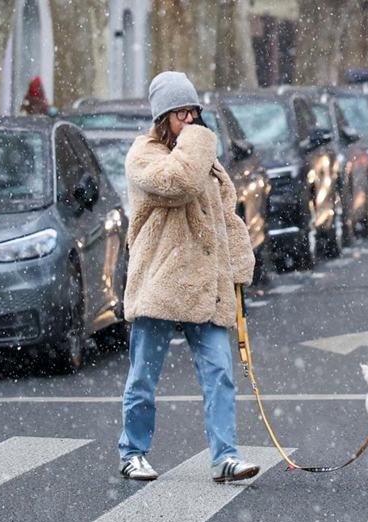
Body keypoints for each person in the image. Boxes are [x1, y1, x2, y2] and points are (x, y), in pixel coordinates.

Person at [118, 71, 259, 483]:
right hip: (160, 282)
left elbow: (225, 220)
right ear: (163, 117)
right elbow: (177, 183)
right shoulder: (143, 155)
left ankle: (224, 457)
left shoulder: (201, 158)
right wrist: (197, 141)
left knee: (220, 373)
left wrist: (235, 272)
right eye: (183, 113)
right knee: (144, 374)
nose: (192, 121)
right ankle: (132, 452)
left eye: (195, 112)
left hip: (206, 284)